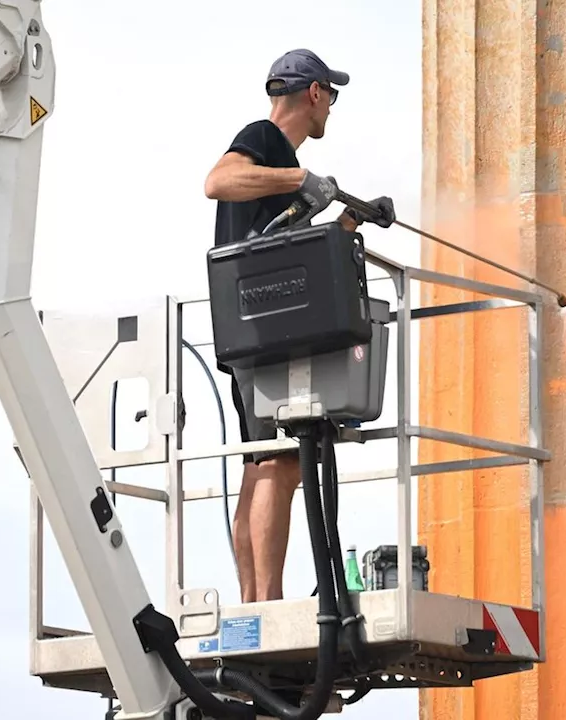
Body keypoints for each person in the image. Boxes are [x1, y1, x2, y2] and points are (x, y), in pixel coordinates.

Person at [202, 48, 395, 604]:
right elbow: (217, 181)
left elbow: (285, 239)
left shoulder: (278, 173)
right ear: (313, 93)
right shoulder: (264, 141)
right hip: (264, 329)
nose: (331, 107)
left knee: (260, 463)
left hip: (258, 327)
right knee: (281, 464)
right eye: (330, 96)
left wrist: (350, 220)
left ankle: (253, 600)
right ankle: (263, 604)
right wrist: (300, 176)